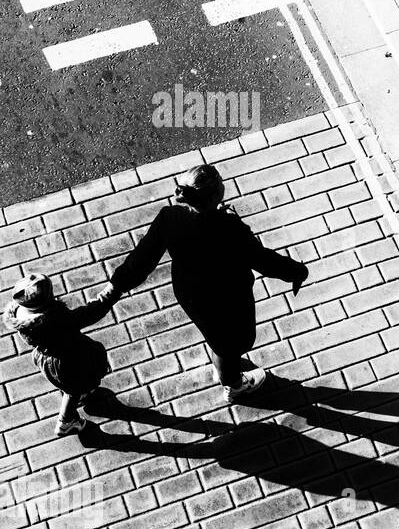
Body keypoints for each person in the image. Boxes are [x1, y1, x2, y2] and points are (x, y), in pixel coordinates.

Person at [105, 164, 308, 402]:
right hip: (229, 296)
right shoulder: (230, 228)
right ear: (214, 195)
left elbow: (141, 260)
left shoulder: (170, 217)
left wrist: (115, 286)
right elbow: (263, 260)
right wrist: (297, 272)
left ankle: (223, 363)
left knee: (216, 334)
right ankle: (233, 384)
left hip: (191, 293)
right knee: (235, 341)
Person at [4, 273, 121, 437]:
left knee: (71, 386)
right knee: (74, 388)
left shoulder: (21, 318)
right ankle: (66, 422)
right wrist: (110, 294)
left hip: (47, 358)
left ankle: (81, 396)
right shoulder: (58, 319)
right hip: (69, 360)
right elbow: (90, 312)